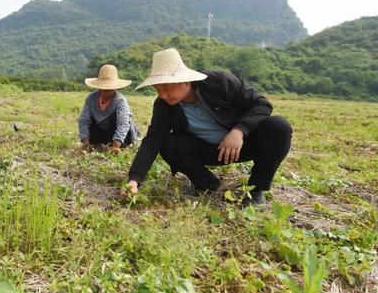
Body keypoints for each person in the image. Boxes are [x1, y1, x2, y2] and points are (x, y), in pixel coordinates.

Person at [124, 49, 292, 206]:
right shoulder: (163, 105)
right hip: (208, 150)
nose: (163, 95)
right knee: (167, 144)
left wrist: (239, 130)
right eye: (157, 89)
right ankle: (208, 184)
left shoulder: (218, 81)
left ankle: (257, 190)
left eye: (167, 88)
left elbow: (262, 104)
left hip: (241, 144)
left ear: (185, 80)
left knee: (279, 127)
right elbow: (152, 141)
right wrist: (134, 180)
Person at [78, 64, 140, 153]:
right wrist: (85, 140)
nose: (106, 91)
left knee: (121, 126)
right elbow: (84, 120)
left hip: (115, 131)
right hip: (100, 131)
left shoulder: (120, 101)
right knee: (91, 125)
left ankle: (115, 144)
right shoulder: (91, 98)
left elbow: (123, 124)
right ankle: (96, 144)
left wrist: (116, 144)